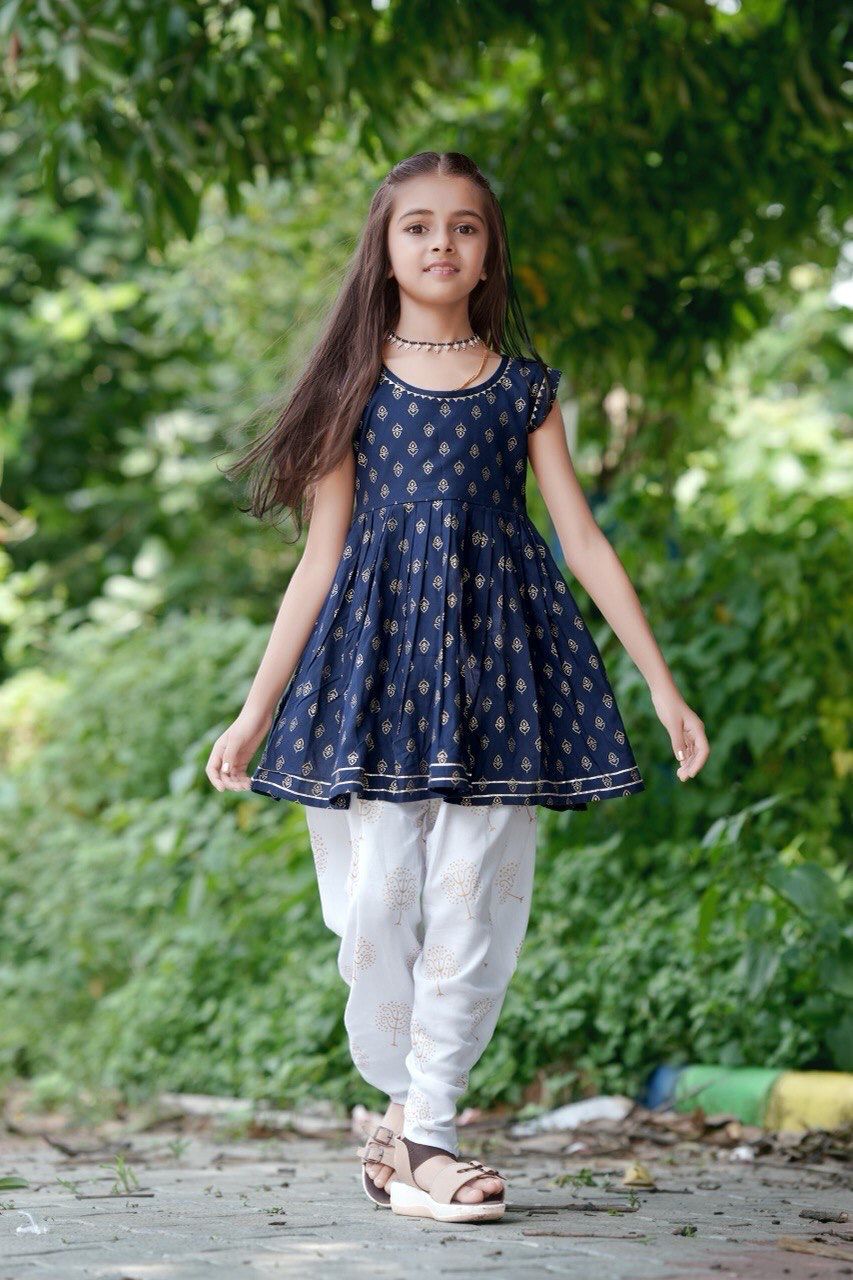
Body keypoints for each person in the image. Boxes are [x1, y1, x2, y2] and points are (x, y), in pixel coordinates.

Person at [205, 150, 709, 1222]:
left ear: (489, 255)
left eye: (465, 227)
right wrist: (255, 709)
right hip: (380, 674)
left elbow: (580, 539)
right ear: (385, 250)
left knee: (477, 892)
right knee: (381, 902)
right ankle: (399, 1117)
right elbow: (320, 558)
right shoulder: (357, 386)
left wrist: (662, 685)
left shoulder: (522, 386)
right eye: (418, 226)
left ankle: (426, 1128)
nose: (442, 243)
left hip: (504, 670)